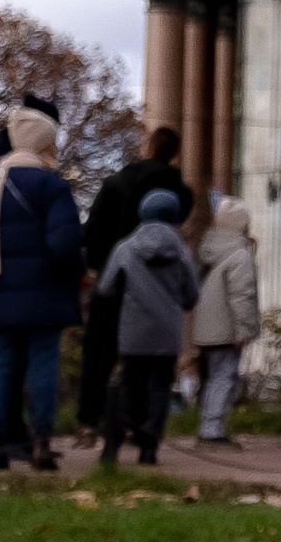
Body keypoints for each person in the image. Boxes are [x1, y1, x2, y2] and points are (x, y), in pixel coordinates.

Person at [0, 103, 83, 472]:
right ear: (42, 145)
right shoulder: (53, 186)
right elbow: (65, 244)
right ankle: (41, 441)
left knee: (0, 365)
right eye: (52, 143)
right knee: (43, 365)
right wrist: (71, 275)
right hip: (45, 295)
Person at [79, 127, 193, 438]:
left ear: (147, 146)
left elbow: (92, 232)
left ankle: (92, 417)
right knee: (148, 362)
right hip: (160, 288)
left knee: (100, 351)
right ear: (174, 154)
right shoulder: (179, 194)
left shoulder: (116, 184)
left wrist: (97, 267)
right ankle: (139, 424)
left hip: (114, 276)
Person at [94, 188, 199, 466]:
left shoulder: (126, 248)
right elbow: (192, 295)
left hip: (133, 329)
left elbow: (106, 287)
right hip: (167, 332)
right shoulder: (182, 252)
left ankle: (129, 427)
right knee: (160, 386)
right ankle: (150, 444)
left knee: (131, 382)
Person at [191, 196, 262, 444]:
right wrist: (245, 330)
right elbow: (242, 296)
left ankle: (207, 425)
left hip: (207, 327)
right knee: (224, 378)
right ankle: (213, 430)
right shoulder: (239, 256)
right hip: (228, 329)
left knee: (212, 378)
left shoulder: (209, 251)